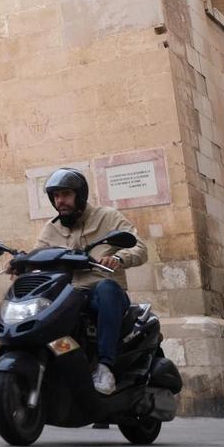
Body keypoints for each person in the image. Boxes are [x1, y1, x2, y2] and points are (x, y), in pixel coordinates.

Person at [36, 168, 147, 394]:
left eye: (65, 194)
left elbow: (140, 247)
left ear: (80, 195)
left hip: (103, 296)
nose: (60, 201)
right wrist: (18, 263)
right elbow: (37, 255)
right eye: (56, 196)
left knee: (107, 287)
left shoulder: (108, 217)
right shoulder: (51, 228)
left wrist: (119, 258)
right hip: (70, 296)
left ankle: (105, 368)